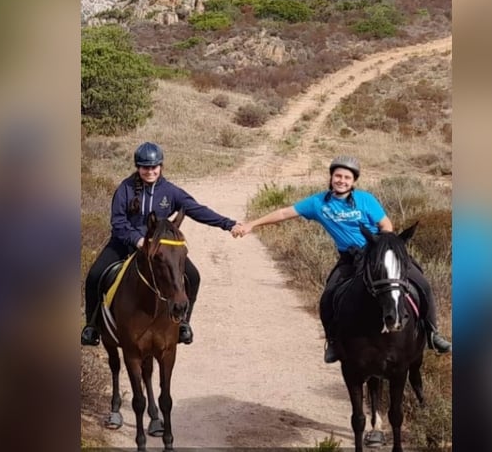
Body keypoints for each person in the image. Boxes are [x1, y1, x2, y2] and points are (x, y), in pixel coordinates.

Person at [232, 156, 451, 363]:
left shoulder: (366, 200)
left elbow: (386, 224)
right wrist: (252, 224)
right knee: (329, 295)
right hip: (350, 258)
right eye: (338, 176)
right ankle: (334, 343)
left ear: (354, 181)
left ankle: (432, 333)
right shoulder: (318, 203)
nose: (342, 181)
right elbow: (283, 213)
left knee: (421, 283)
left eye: (347, 177)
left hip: (378, 254)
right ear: (331, 178)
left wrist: (381, 247)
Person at [81, 142, 242, 346]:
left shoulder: (170, 191)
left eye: (154, 167)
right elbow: (118, 222)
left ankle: (183, 323)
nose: (149, 171)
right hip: (125, 243)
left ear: (160, 166)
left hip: (160, 249)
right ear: (138, 167)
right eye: (145, 167)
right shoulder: (125, 189)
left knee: (193, 276)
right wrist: (137, 240)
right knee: (95, 276)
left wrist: (228, 224)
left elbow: (196, 210)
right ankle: (92, 327)